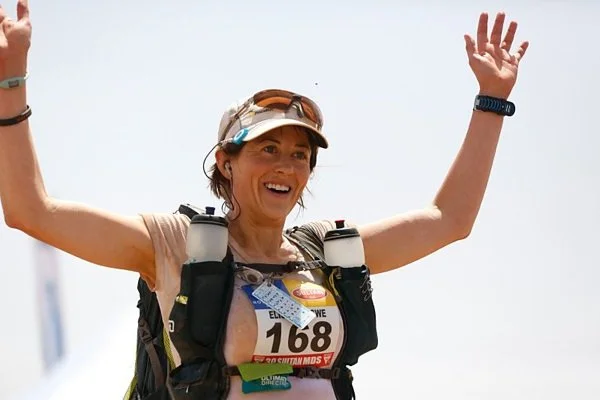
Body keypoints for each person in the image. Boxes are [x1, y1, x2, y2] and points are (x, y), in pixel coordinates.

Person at [0, 1, 529, 399]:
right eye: (267, 149)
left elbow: (449, 219)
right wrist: (10, 79)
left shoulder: (325, 251)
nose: (286, 166)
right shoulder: (176, 244)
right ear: (226, 162)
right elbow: (31, 211)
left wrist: (492, 102)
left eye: (300, 155)